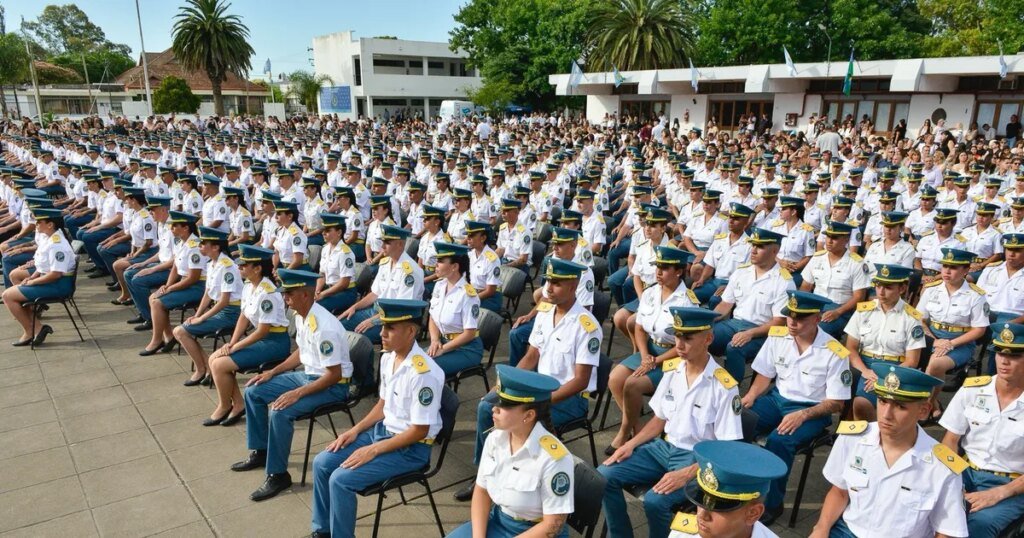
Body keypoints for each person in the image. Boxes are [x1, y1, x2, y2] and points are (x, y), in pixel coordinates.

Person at [454, 258, 600, 502]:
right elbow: (532, 356)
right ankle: (484, 474)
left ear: (573, 286)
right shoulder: (545, 312)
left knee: (513, 417)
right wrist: (506, 386)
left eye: (557, 283)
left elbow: (581, 381)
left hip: (569, 398)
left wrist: (542, 402)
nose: (548, 288)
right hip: (537, 389)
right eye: (548, 281)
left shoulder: (587, 326)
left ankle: (516, 484)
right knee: (487, 406)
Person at [600, 307, 744, 538]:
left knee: (655, 502)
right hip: (663, 449)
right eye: (677, 337)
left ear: (708, 339)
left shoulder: (724, 387)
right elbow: (659, 419)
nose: (679, 345)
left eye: (688, 338)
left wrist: (687, 474)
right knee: (604, 475)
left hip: (697, 458)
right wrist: (631, 444)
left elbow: (727, 449)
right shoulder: (672, 370)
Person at [311, 299, 444, 538]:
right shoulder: (387, 358)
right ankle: (323, 530)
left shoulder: (424, 373)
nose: (382, 333)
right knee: (322, 463)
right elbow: (383, 404)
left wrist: (372, 450)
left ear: (411, 331)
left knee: (340, 480)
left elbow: (420, 430)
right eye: (383, 326)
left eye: (390, 328)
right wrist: (354, 430)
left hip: (410, 449)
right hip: (381, 433)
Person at [232, 269, 353, 502]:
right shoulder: (300, 315)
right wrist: (273, 372)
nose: (285, 297)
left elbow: (334, 375)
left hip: (332, 386)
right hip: (309, 376)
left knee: (280, 411)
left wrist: (296, 393)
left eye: (289, 293)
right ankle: (261, 451)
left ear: (305, 295)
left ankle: (278, 475)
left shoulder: (324, 326)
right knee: (254, 390)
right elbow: (302, 352)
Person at [810, 363, 969, 538]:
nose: (886, 414)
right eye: (883, 401)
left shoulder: (942, 467)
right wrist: (821, 528)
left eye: (900, 406)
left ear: (923, 411)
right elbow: (839, 491)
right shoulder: (852, 438)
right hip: (848, 532)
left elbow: (946, 531)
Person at [740, 290, 853, 525]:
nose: (792, 322)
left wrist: (803, 415)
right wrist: (750, 395)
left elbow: (836, 403)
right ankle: (737, 488)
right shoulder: (778, 336)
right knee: (739, 422)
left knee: (779, 440)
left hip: (812, 409)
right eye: (789, 315)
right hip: (777, 399)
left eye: (800, 318)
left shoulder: (834, 352)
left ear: (817, 319)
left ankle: (772, 503)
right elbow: (764, 375)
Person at [447, 365, 573, 538]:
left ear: (528, 415)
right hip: (500, 520)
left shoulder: (554, 459)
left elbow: (553, 524)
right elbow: (482, 491)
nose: (494, 408)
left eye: (504, 405)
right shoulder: (495, 439)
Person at [606, 246, 698, 454]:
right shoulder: (649, 293)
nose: (658, 272)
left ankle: (624, 431)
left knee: (632, 384)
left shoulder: (687, 303)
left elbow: (686, 346)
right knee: (615, 379)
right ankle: (638, 429)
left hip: (675, 358)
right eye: (658, 267)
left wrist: (655, 361)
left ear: (679, 271)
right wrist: (645, 355)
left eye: (665, 268)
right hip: (649, 350)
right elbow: (639, 327)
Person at [940, 322, 1024, 538]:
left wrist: (999, 493)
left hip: (1013, 484)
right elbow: (950, 441)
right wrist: (950, 479)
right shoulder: (973, 389)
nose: (1004, 361)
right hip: (965, 470)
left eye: (1014, 355)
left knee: (978, 524)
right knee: (931, 504)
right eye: (999, 353)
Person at [205, 244, 290, 427]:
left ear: (257, 268)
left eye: (244, 265)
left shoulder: (267, 292)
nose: (239, 267)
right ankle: (237, 404)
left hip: (274, 342)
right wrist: (232, 342)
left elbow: (262, 331)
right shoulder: (248, 285)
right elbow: (243, 316)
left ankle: (225, 405)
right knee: (213, 358)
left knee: (219, 364)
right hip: (262, 339)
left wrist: (236, 347)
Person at [711, 228, 795, 382]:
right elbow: (725, 304)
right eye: (753, 245)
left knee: (734, 347)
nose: (753, 250)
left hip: (763, 331)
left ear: (775, 251)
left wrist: (750, 333)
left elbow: (779, 322)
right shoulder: (741, 272)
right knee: (702, 336)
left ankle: (732, 390)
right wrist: (707, 321)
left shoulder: (784, 281)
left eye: (760, 247)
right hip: (733, 324)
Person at [843, 264, 925, 421]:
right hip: (864, 365)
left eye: (888, 287)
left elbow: (912, 361)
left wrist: (883, 377)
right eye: (878, 285)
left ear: (902, 289)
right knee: (858, 403)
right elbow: (851, 348)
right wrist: (865, 372)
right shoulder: (863, 311)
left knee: (867, 405)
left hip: (895, 369)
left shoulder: (911, 318)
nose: (880, 292)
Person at [917, 247, 989, 420]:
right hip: (932, 337)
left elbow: (979, 329)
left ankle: (926, 405)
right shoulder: (931, 289)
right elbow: (919, 319)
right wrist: (934, 341)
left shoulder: (976, 295)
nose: (947, 271)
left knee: (935, 364)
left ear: (966, 270)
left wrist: (950, 344)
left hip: (960, 342)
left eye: (953, 267)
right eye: (945, 266)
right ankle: (933, 404)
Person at [666, 440, 788, 538]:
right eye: (701, 500)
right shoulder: (682, 534)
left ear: (753, 514)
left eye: (719, 507)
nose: (702, 515)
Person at [172, 226, 243, 387]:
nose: (200, 247)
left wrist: (202, 318)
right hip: (221, 309)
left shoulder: (227, 266)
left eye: (203, 244)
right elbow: (208, 293)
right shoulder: (212, 263)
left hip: (232, 312)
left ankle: (201, 369)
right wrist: (197, 314)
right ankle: (206, 367)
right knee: (182, 330)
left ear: (216, 247)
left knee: (180, 331)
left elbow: (224, 301)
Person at [2, 207, 76, 346]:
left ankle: (31, 331)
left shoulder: (56, 244)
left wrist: (34, 282)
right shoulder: (49, 239)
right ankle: (36, 328)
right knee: (12, 294)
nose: (36, 224)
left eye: (39, 222)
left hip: (58, 285)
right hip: (50, 281)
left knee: (7, 296)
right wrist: (32, 277)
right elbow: (43, 266)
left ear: (50, 224)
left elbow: (55, 274)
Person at [339, 224, 424, 345]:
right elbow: (375, 293)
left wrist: (373, 321)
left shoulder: (410, 272)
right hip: (375, 312)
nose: (382, 246)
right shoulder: (385, 263)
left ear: (400, 244)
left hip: (395, 321)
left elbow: (401, 308)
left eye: (387, 243)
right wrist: (354, 307)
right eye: (382, 242)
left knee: (356, 339)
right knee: (339, 325)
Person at [139, 211, 207, 355]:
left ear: (186, 228)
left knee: (157, 302)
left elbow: (193, 278)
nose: (171, 229)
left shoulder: (195, 247)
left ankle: (156, 340)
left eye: (175, 226)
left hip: (198, 287)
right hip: (185, 282)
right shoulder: (181, 242)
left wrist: (171, 288)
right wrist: (167, 285)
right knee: (153, 297)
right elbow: (175, 267)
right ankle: (168, 336)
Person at [799, 220, 871, 340]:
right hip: (815, 307)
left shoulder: (856, 263)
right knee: (795, 326)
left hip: (841, 310)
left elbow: (859, 297)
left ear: (846, 240)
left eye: (835, 238)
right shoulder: (817, 258)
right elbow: (805, 287)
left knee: (816, 331)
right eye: (828, 237)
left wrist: (838, 312)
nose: (829, 241)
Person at [427, 241, 484, 376]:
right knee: (412, 362)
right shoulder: (439, 286)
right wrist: (435, 340)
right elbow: (433, 317)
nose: (436, 264)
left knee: (427, 370)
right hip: (443, 342)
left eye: (441, 261)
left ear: (454, 266)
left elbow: (469, 334)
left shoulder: (468, 295)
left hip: (466, 349)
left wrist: (443, 349)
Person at [976, 233, 1024, 374]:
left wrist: (1011, 323)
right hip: (986, 315)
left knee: (1004, 336)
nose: (1011, 254)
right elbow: (977, 297)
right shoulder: (991, 269)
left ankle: (993, 376)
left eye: (1017, 250)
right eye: (1009, 249)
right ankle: (959, 372)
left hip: (1015, 320)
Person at [314, 213, 358, 315]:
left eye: (328, 230)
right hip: (330, 289)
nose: (323, 233)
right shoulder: (325, 249)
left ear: (339, 232)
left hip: (346, 292)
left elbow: (344, 283)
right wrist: (317, 291)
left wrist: (323, 294)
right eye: (323, 230)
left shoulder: (345, 253)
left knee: (317, 306)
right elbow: (322, 274)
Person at [464, 220, 503, 312]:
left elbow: (490, 291)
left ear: (483, 238)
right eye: (468, 235)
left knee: (465, 309)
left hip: (490, 298)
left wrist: (471, 299)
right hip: (473, 293)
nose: (468, 238)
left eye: (472, 236)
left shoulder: (492, 259)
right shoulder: (470, 255)